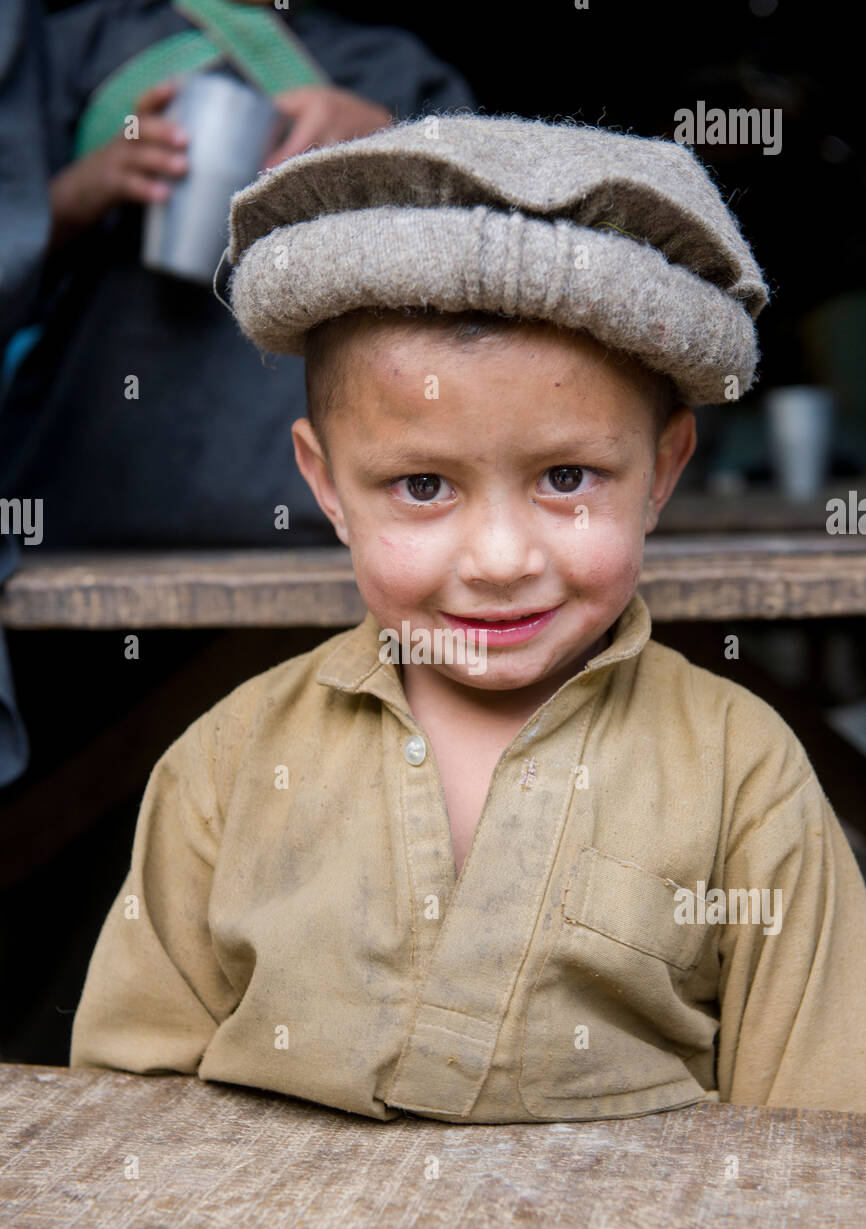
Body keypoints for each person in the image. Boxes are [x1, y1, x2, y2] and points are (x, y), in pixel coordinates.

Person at [70, 114, 866, 1120]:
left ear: (664, 468)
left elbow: (817, 1148)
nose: (498, 561)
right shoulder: (226, 764)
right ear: (323, 481)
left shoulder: (740, 771)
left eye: (565, 477)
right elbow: (123, 1119)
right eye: (419, 486)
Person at [0, 0, 474, 546]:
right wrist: (90, 185)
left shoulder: (394, 67)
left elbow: (484, 274)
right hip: (77, 498)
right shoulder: (76, 47)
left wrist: (396, 145)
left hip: (310, 517)